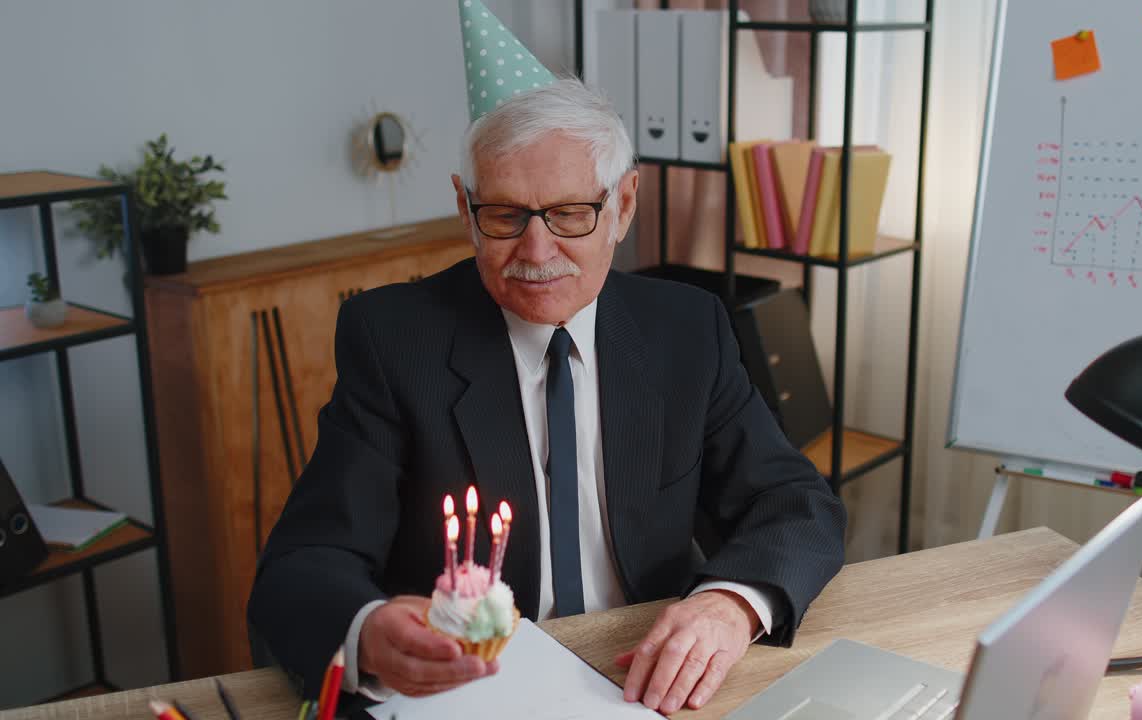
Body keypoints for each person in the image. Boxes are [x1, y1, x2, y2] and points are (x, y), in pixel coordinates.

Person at [248, 4, 844, 715]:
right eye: (504, 216)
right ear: (465, 208)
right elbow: (303, 565)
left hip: (646, 680)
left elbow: (795, 503)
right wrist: (369, 633)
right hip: (468, 692)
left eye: (569, 214)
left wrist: (728, 605)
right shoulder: (393, 340)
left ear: (624, 205)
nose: (537, 252)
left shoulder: (687, 328)